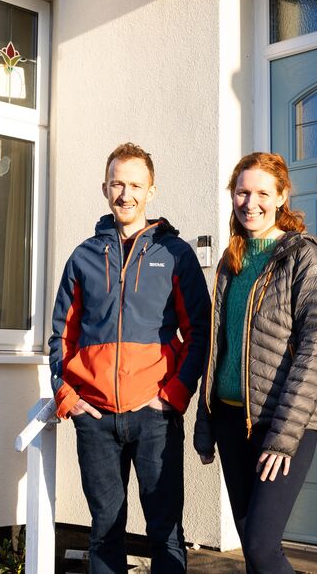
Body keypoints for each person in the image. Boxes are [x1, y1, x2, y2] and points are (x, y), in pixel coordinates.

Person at [49, 143, 210, 574]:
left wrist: (173, 395)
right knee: (104, 528)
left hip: (154, 415)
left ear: (151, 190)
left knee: (165, 530)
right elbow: (60, 335)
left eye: (135, 184)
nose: (126, 194)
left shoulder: (175, 254)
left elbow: (199, 333)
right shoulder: (83, 257)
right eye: (118, 183)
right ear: (105, 187)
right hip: (96, 418)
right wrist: (67, 396)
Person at [194, 152, 317, 574]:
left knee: (259, 546)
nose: (249, 202)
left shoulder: (303, 259)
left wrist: (283, 436)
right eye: (242, 192)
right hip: (231, 421)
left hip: (283, 422)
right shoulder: (230, 261)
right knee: (253, 545)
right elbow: (217, 348)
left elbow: (316, 351)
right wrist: (206, 425)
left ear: (281, 197)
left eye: (261, 193)